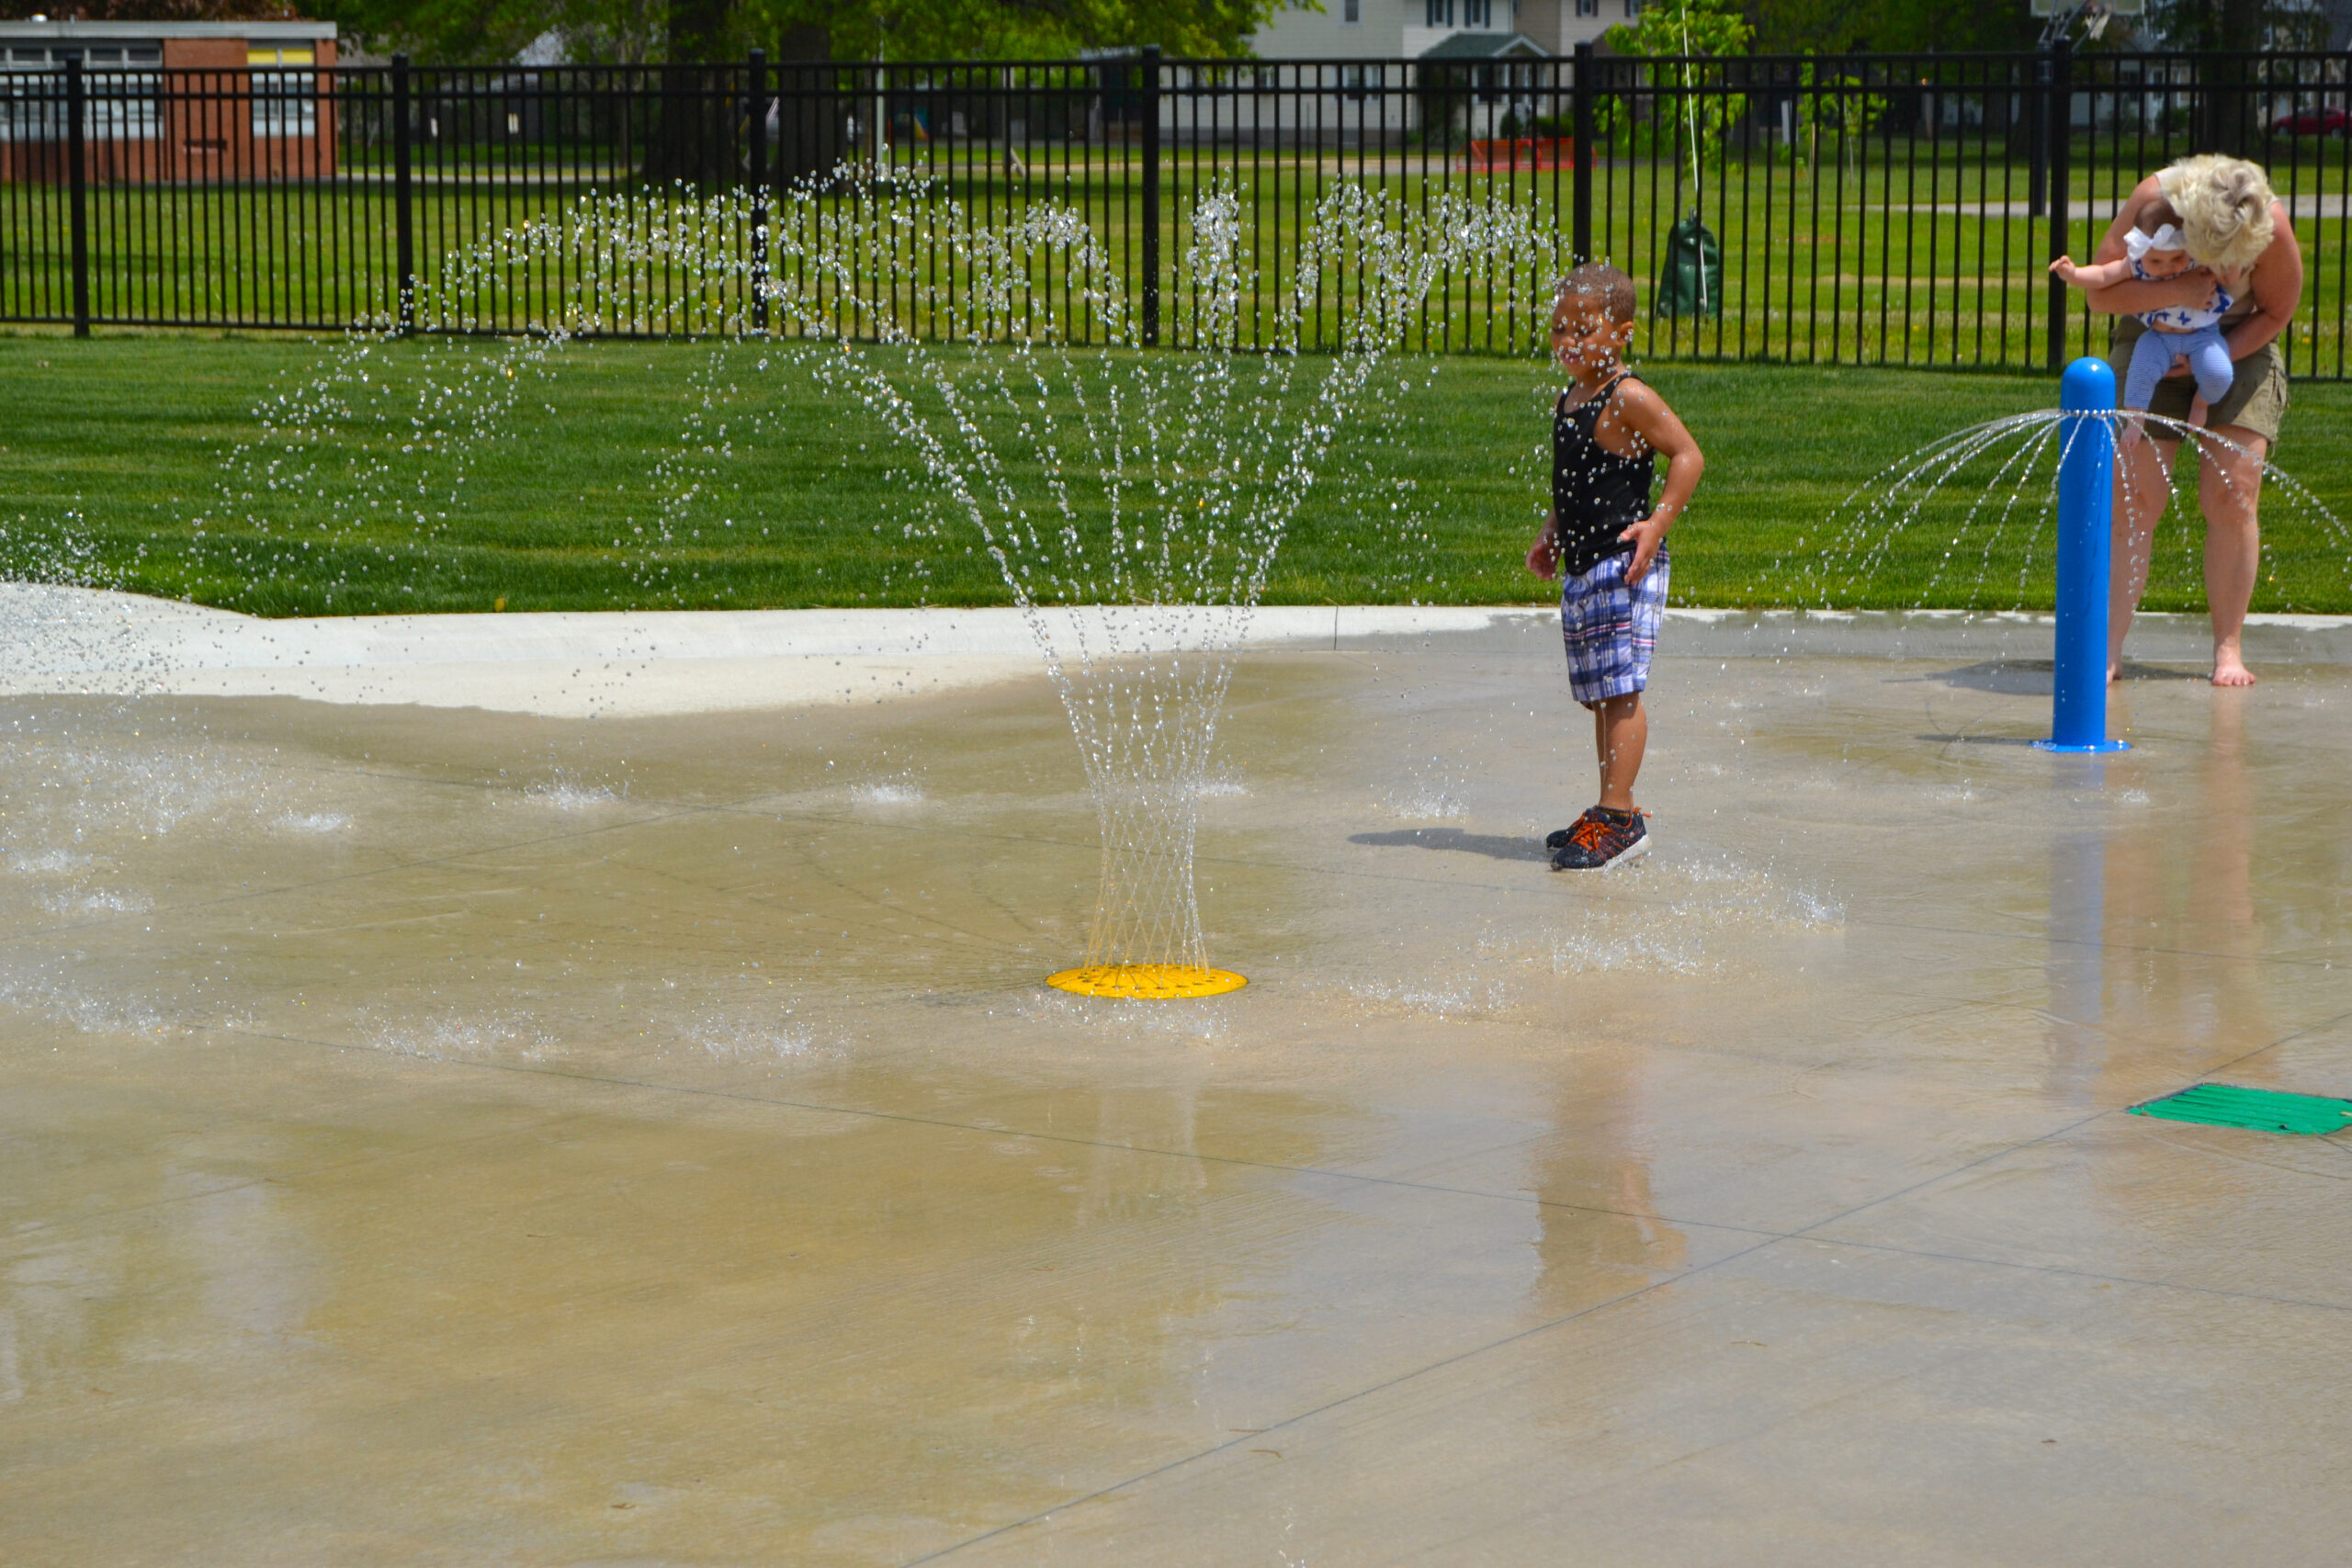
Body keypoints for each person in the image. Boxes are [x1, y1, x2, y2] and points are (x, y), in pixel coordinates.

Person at [2074, 154, 2301, 687]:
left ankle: (2228, 649)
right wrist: (2175, 291)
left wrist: (2212, 358)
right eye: (2218, 261)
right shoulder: (2156, 201)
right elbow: (2099, 292)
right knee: (2134, 497)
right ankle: (2107, 648)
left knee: (2232, 494)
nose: (2229, 276)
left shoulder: (2268, 220)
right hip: (2152, 336)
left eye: (2239, 264)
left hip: (2239, 343)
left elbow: (2276, 310)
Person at [1524, 264, 1705, 872]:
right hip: (1585, 567)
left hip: (1624, 564)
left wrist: (1657, 524)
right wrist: (1552, 533)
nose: (1568, 341)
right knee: (1601, 695)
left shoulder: (1628, 396)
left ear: (1623, 332)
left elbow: (1687, 455)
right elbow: (1575, 483)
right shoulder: (1569, 398)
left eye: (1584, 329)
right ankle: (1611, 809)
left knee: (1621, 693)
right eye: (1559, 328)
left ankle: (1620, 817)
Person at [2049, 199, 2243, 443]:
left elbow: (2231, 276)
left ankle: (2201, 403)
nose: (2166, 268)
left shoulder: (2198, 259)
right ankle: (2135, 420)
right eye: (2156, 262)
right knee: (2140, 373)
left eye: (2176, 259)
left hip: (2203, 336)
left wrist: (2227, 243)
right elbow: (2103, 274)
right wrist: (2074, 273)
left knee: (2220, 374)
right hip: (2159, 338)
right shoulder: (2137, 264)